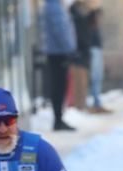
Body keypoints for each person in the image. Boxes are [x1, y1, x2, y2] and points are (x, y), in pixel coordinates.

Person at [40, 0, 77, 131]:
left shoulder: (53, 5)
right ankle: (58, 120)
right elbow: (60, 30)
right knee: (59, 87)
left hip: (57, 51)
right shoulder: (54, 6)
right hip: (58, 52)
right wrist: (70, 49)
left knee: (59, 87)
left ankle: (59, 119)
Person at [87, 6, 112, 112]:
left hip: (96, 52)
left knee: (98, 77)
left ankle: (96, 101)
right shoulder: (90, 28)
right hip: (93, 52)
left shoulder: (95, 28)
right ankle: (94, 102)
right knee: (95, 77)